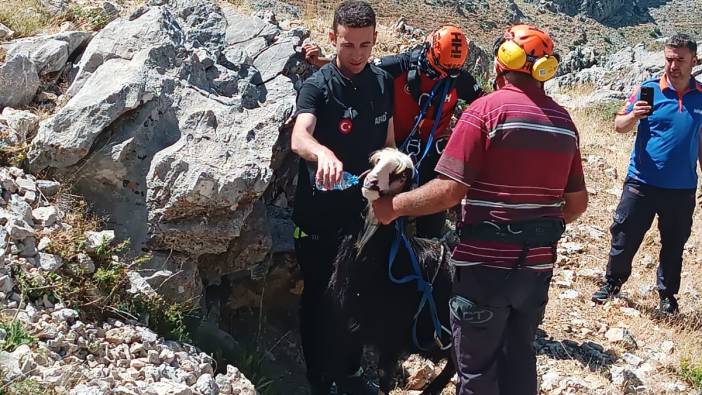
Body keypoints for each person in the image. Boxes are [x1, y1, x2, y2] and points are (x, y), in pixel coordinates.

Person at [373, 24, 588, 394]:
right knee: (519, 358)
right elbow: (577, 204)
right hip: (536, 268)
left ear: (502, 63)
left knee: (476, 371)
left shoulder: (485, 111)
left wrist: (393, 207)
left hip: (484, 269)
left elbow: (450, 191)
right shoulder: (564, 123)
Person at [290, 1, 394, 394]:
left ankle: (348, 375)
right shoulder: (319, 86)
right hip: (318, 219)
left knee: (359, 295)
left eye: (365, 45)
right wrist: (323, 153)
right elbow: (300, 135)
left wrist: (387, 171)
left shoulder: (382, 83)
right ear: (333, 39)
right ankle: (318, 381)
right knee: (320, 297)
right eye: (349, 45)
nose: (357, 54)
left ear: (374, 41)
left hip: (363, 216)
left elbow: (388, 142)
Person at [304, 25, 484, 238]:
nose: (440, 77)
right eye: (437, 70)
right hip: (394, 148)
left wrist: (459, 133)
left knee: (433, 214)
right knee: (380, 211)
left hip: (430, 151)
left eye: (447, 73)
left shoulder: (457, 79)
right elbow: (361, 69)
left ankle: (427, 252)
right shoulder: (401, 65)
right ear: (427, 51)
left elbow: (484, 107)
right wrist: (320, 61)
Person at [591, 34, 702, 314]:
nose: (673, 65)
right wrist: (633, 117)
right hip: (641, 183)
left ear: (694, 61)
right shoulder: (647, 89)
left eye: (680, 60)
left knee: (674, 245)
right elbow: (619, 125)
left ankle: (667, 297)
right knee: (624, 236)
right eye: (668, 59)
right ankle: (612, 283)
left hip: (682, 189)